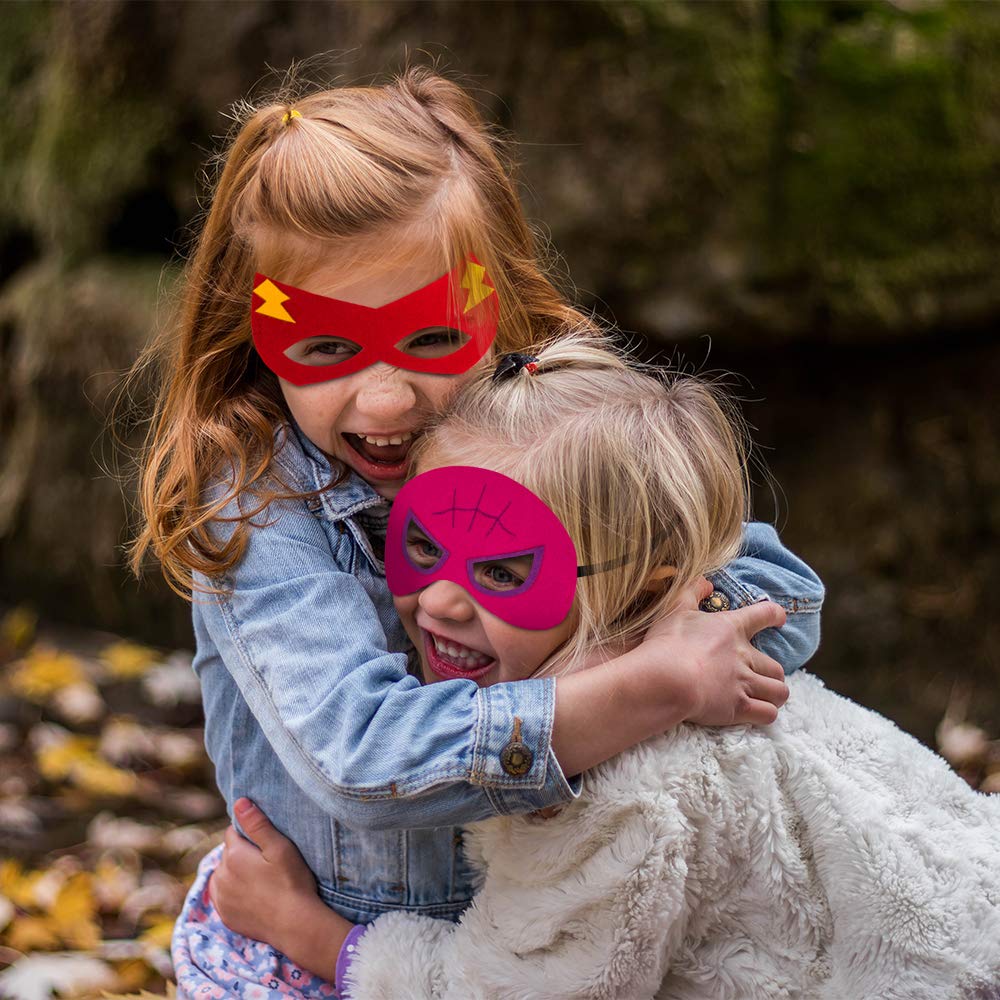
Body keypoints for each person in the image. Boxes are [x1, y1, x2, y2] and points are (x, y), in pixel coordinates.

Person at [127, 68, 821, 994]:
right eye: (326, 345)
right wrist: (647, 686)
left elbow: (782, 598)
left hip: (545, 942)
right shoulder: (257, 502)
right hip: (317, 951)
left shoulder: (547, 434)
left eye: (429, 338)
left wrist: (647, 628)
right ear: (251, 326)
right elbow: (364, 757)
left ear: (496, 299)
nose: (386, 400)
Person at [207, 335, 1000, 1000]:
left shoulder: (623, 792)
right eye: (419, 543)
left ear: (648, 590)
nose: (441, 601)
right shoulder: (691, 655)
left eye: (504, 571)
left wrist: (311, 935)